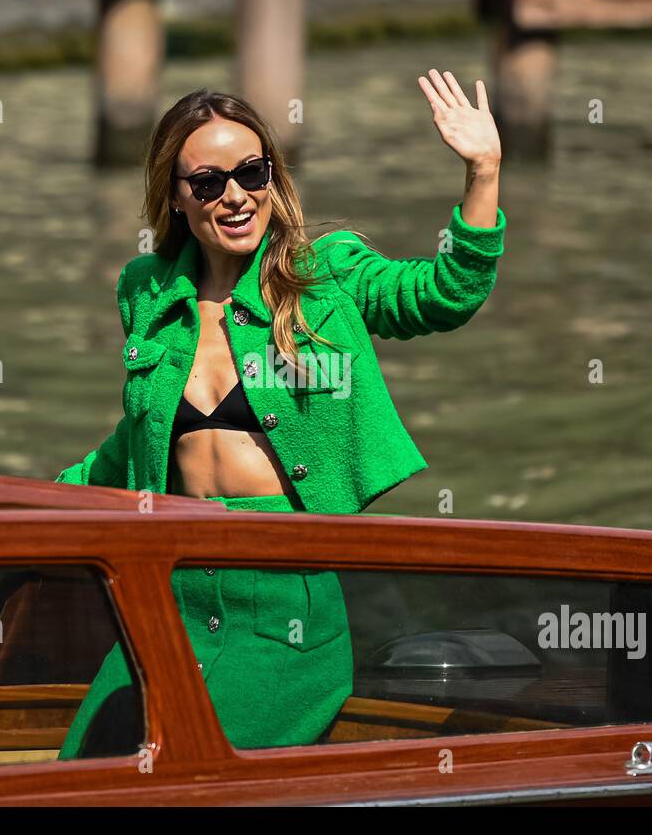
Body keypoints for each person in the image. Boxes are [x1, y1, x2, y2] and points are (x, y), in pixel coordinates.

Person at [55, 71, 505, 756]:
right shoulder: (144, 290)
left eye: (251, 172)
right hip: (165, 594)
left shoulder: (325, 272)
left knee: (176, 770)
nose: (234, 195)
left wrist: (482, 171)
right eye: (207, 182)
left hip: (282, 603)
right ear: (175, 198)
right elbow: (141, 438)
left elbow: (445, 294)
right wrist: (36, 504)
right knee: (82, 768)